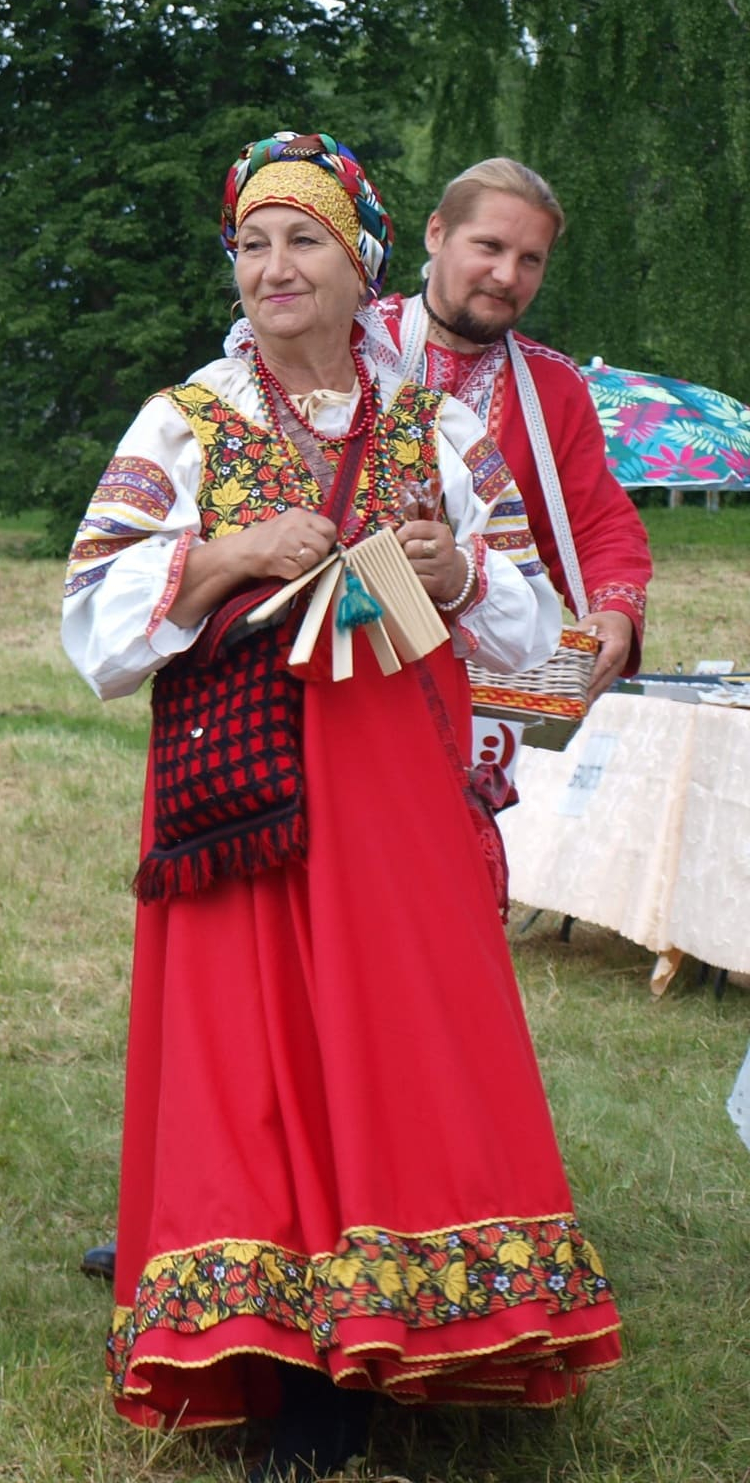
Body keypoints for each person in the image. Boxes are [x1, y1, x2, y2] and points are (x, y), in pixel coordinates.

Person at [62, 132, 620, 1479]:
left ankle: (419, 1324)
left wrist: (459, 568)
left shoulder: (442, 427)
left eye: (300, 238)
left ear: (358, 259)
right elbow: (90, 619)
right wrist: (224, 555)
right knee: (257, 1073)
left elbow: (525, 625)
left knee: (395, 1053)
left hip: (398, 806)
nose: (272, 266)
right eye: (251, 244)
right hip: (243, 806)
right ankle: (286, 1361)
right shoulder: (186, 421)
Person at [357, 156, 651, 708]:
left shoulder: (553, 387)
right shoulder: (359, 346)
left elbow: (594, 522)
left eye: (530, 259)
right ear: (437, 232)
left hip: (493, 689)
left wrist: (615, 608)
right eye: (489, 247)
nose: (507, 276)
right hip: (349, 665)